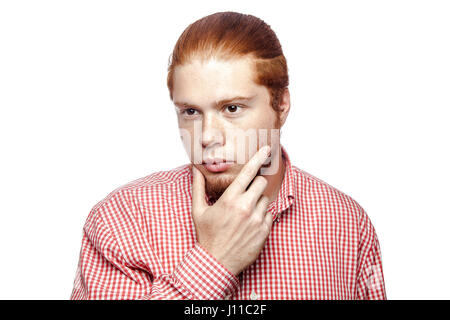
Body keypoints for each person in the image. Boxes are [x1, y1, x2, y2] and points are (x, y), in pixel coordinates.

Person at [70, 11, 386, 300]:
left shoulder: (348, 223)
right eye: (190, 111)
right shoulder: (121, 220)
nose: (207, 136)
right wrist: (213, 262)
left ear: (281, 105)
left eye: (231, 108)